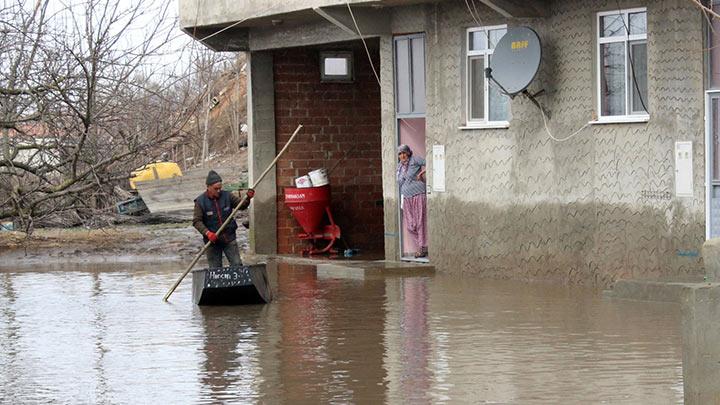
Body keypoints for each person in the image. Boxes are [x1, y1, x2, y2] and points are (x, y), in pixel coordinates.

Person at [193, 170, 255, 268]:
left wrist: (247, 198)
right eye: (216, 188)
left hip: (229, 238)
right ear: (208, 187)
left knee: (237, 265)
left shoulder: (227, 196)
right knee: (215, 270)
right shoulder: (200, 202)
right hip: (212, 242)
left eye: (220, 188)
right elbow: (197, 221)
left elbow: (241, 206)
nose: (218, 191)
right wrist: (207, 233)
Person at [397, 144, 428, 258]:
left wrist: (421, 174)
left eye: (404, 152)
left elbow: (430, 162)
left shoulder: (415, 160)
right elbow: (400, 183)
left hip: (418, 195)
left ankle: (422, 247)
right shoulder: (399, 167)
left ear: (408, 153)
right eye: (400, 154)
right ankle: (422, 246)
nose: (403, 155)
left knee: (420, 222)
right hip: (406, 197)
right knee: (410, 226)